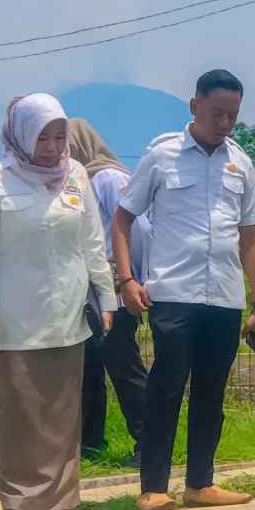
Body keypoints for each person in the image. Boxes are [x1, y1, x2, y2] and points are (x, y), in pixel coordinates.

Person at [113, 70, 255, 510]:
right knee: (166, 387)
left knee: (211, 393)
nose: (224, 123)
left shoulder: (240, 162)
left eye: (233, 115)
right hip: (173, 294)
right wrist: (127, 279)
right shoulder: (161, 157)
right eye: (217, 112)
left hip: (223, 296)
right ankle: (153, 488)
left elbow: (251, 235)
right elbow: (122, 219)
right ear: (194, 105)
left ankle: (201, 482)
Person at [0, 94, 117, 510]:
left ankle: (58, 499)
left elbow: (93, 242)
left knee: (62, 410)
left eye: (59, 137)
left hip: (69, 311)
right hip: (15, 315)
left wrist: (106, 299)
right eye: (42, 138)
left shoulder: (76, 177)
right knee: (20, 410)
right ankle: (15, 502)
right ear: (21, 136)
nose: (52, 148)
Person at [68, 119, 150, 468]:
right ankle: (90, 443)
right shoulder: (75, 181)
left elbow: (140, 229)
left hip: (114, 289)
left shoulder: (107, 177)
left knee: (124, 366)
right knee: (88, 368)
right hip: (87, 291)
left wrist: (132, 278)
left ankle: (150, 440)